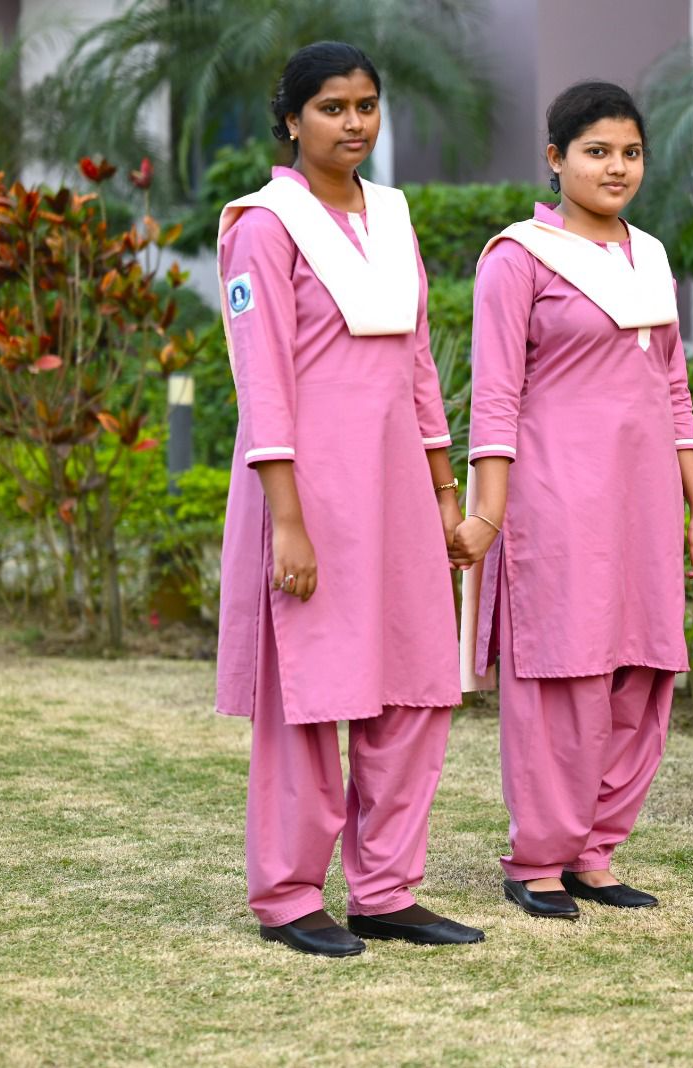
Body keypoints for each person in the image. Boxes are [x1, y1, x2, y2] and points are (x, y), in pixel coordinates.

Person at [214, 41, 480, 956]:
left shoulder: (394, 216)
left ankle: (387, 889)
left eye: (366, 105)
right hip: (305, 492)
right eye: (332, 107)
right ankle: (289, 897)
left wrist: (445, 495)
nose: (354, 122)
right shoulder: (264, 226)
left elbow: (418, 365)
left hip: (397, 487)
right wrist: (287, 521)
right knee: (309, 693)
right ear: (292, 120)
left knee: (415, 687)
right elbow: (261, 377)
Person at [456, 80, 693, 920]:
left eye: (630, 153)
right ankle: (537, 858)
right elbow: (495, 395)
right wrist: (490, 513)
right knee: (561, 672)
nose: (616, 168)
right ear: (555, 158)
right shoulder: (518, 257)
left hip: (645, 500)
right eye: (597, 151)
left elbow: (673, 388)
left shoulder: (651, 256)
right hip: (556, 497)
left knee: (642, 668)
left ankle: (595, 852)